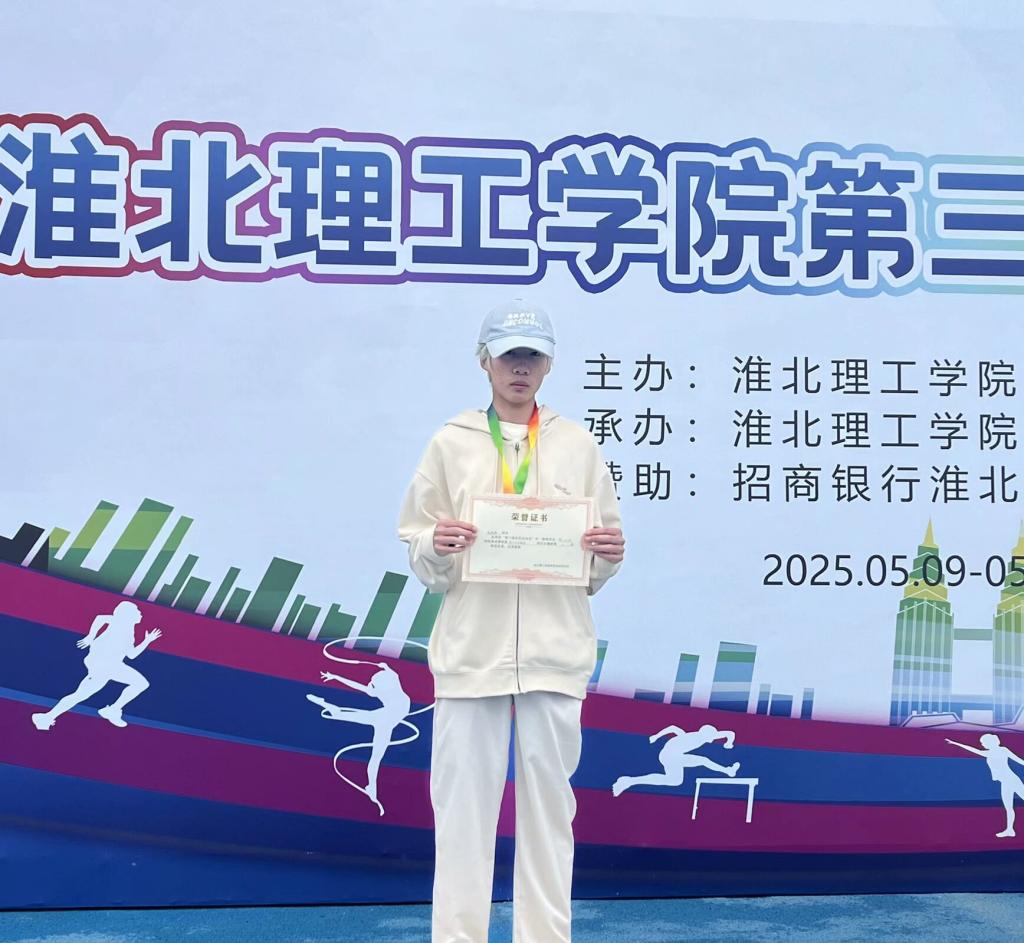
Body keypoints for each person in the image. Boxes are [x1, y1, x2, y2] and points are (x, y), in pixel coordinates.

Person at [398, 299, 625, 943]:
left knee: (551, 816)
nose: (519, 368)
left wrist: (606, 555)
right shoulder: (450, 443)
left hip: (555, 655)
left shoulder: (578, 445)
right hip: (472, 655)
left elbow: (601, 553)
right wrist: (436, 544)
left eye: (531, 356)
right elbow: (419, 543)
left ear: (548, 364)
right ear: (485, 361)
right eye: (508, 356)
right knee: (462, 818)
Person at [32, 600, 161, 731]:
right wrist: (90, 636)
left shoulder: (129, 632)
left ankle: (47, 717)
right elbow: (101, 618)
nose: (140, 614)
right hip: (104, 665)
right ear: (128, 614)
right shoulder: (120, 623)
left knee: (80, 695)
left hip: (110, 666)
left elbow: (132, 655)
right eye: (137, 611)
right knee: (140, 683)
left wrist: (147, 641)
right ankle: (113, 710)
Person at [947, 734, 1024, 838]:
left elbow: (1019, 760)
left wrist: (956, 743)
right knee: (1008, 807)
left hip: (1012, 780)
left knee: (1010, 807)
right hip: (1005, 782)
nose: (982, 745)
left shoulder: (1002, 750)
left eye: (983, 743)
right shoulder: (989, 753)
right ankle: (1010, 830)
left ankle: (1010, 830)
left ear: (990, 742)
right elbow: (972, 749)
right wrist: (955, 743)